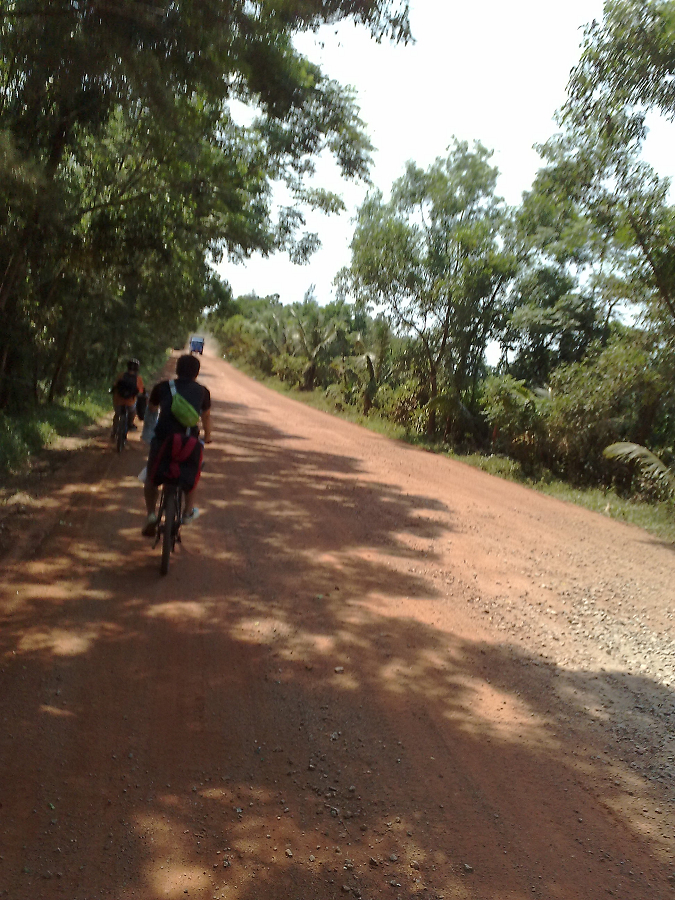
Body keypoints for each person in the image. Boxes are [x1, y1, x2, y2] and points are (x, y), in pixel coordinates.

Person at [141, 353, 212, 537]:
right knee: (192, 472)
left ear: (177, 369)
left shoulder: (162, 387)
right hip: (188, 443)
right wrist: (208, 436)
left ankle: (151, 514)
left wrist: (149, 429)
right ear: (196, 373)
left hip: (163, 440)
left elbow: (151, 409)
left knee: (151, 476)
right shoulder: (203, 392)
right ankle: (187, 512)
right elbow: (206, 417)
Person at [112, 359, 144, 435]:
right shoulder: (138, 378)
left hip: (118, 401)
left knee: (117, 414)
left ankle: (114, 431)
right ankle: (130, 424)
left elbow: (115, 386)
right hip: (130, 403)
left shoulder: (121, 375)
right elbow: (141, 391)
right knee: (133, 411)